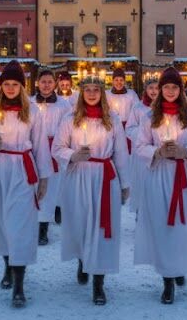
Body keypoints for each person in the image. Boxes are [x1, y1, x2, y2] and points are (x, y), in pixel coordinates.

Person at [0, 60, 51, 308]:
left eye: (14, 84)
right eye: (6, 84)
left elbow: (40, 145)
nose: (10, 88)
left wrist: (44, 177)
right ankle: (7, 265)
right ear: (0, 85)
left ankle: (19, 284)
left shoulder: (33, 113)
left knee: (20, 224)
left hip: (22, 171)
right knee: (1, 222)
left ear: (22, 86)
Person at [53, 75, 130, 305]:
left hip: (104, 177)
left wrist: (125, 184)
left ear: (102, 93)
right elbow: (57, 147)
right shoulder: (70, 119)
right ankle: (82, 259)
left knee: (101, 230)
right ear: (82, 92)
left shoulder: (112, 119)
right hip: (78, 176)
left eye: (97, 89)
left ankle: (99, 282)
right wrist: (73, 155)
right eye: (88, 89)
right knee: (80, 223)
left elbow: (121, 153)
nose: (93, 93)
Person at [134, 67, 187, 305]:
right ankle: (167, 279)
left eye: (174, 87)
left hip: (183, 176)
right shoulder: (149, 118)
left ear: (181, 89)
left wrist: (184, 151)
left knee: (183, 224)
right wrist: (157, 151)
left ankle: (181, 265)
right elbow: (140, 146)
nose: (169, 91)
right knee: (163, 225)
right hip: (159, 176)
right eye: (166, 87)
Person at [33, 69, 72, 245]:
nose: (46, 85)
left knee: (53, 186)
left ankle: (45, 224)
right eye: (43, 82)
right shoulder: (30, 103)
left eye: (50, 82)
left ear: (54, 84)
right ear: (37, 83)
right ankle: (36, 223)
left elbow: (69, 127)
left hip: (55, 148)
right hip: (34, 148)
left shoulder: (63, 105)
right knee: (35, 187)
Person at [125, 78, 158, 212]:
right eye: (151, 88)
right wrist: (144, 132)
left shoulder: (165, 107)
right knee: (142, 183)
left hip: (159, 152)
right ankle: (140, 213)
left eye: (156, 88)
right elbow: (130, 128)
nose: (154, 91)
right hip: (141, 154)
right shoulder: (138, 107)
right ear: (146, 89)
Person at [106, 68, 139, 148]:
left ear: (124, 81)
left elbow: (137, 110)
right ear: (112, 81)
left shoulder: (131, 94)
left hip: (128, 126)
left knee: (128, 149)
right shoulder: (107, 94)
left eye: (121, 80)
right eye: (116, 80)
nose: (119, 82)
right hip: (113, 126)